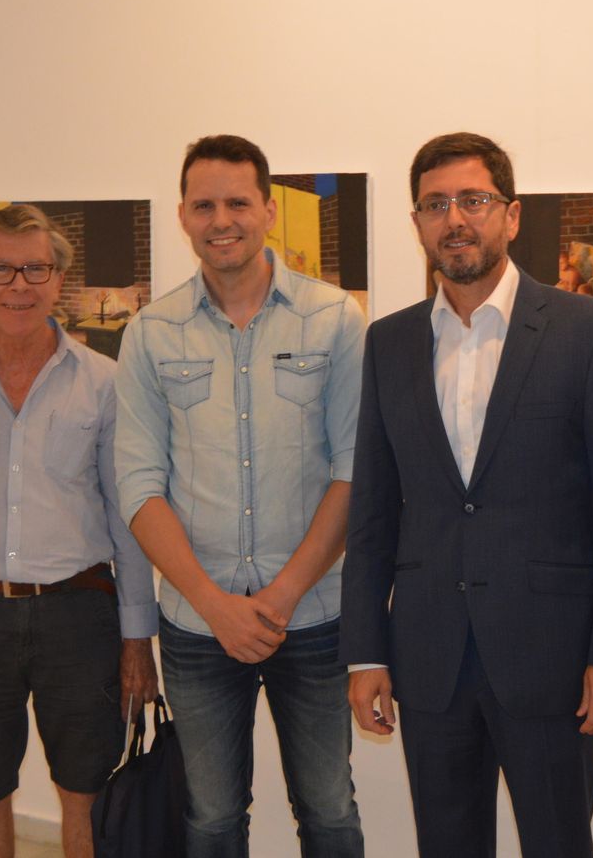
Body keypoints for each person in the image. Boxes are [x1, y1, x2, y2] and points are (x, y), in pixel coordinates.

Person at [341, 132, 593, 858]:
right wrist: (365, 652)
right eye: (435, 204)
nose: (455, 218)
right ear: (418, 222)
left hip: (555, 658)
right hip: (428, 656)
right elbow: (373, 513)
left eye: (474, 200)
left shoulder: (589, 331)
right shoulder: (388, 343)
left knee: (558, 843)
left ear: (511, 215)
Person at [115, 135, 366, 858]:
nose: (220, 218)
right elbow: (139, 485)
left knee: (328, 810)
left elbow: (354, 471)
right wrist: (214, 603)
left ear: (267, 211)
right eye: (204, 205)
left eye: (237, 202)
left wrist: (282, 596)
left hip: (315, 618)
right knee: (213, 817)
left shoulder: (334, 320)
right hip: (197, 625)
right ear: (182, 216)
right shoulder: (151, 333)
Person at [0, 204, 159, 858]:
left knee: (88, 788)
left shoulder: (102, 383)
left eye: (35, 268)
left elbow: (128, 521)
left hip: (81, 614)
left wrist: (137, 639)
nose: (19, 284)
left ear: (58, 280)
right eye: (1, 268)